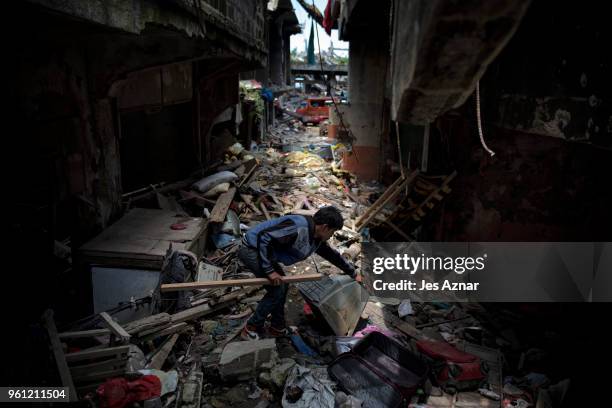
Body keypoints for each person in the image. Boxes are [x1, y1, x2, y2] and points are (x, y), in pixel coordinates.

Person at [239, 206, 356, 340]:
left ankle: (277, 327)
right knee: (276, 290)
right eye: (332, 232)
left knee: (283, 286)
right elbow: (264, 237)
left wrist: (353, 273)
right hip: (252, 250)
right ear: (325, 227)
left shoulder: (316, 237)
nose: (331, 236)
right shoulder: (297, 226)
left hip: (265, 254)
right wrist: (269, 271)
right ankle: (251, 328)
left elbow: (331, 255)